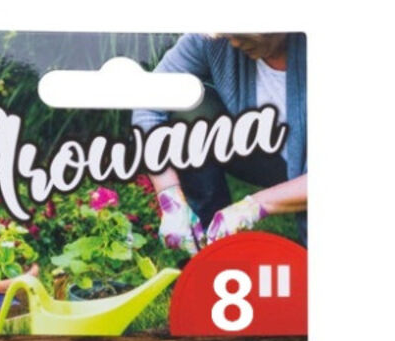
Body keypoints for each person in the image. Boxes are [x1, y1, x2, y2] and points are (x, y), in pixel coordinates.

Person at [132, 33, 307, 253]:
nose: (234, 42)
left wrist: (253, 205)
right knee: (191, 113)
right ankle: (209, 245)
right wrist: (170, 199)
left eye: (239, 33)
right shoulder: (212, 40)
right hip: (265, 155)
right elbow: (148, 103)